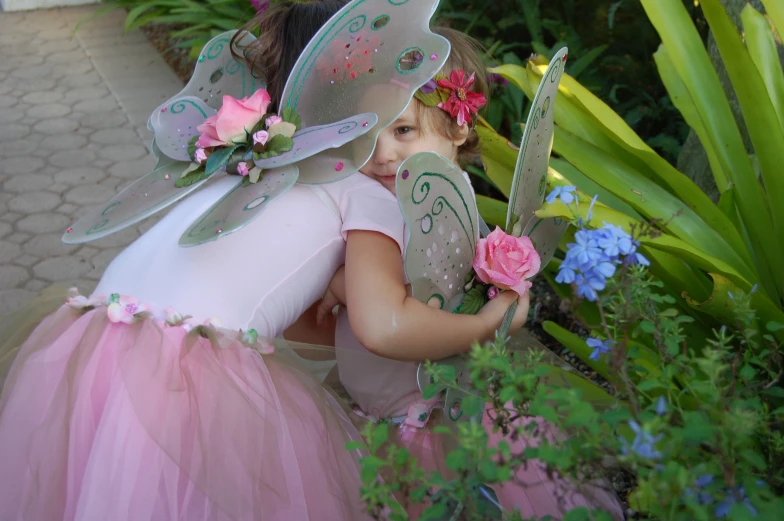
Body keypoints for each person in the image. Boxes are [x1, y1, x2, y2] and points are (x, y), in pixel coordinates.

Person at [0, 3, 526, 521]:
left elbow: (285, 311)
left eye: (402, 131)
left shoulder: (248, 168)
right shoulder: (366, 194)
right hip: (189, 362)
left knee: (108, 486)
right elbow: (384, 328)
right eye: (377, 128)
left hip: (92, 332)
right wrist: (485, 323)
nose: (383, 156)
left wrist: (344, 288)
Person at [318, 27, 625, 520]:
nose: (380, 155)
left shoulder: (420, 203)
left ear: (458, 127)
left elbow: (431, 295)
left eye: (402, 131)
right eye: (365, 134)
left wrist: (494, 319)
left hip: (428, 420)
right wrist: (345, 281)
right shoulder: (405, 193)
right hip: (390, 408)